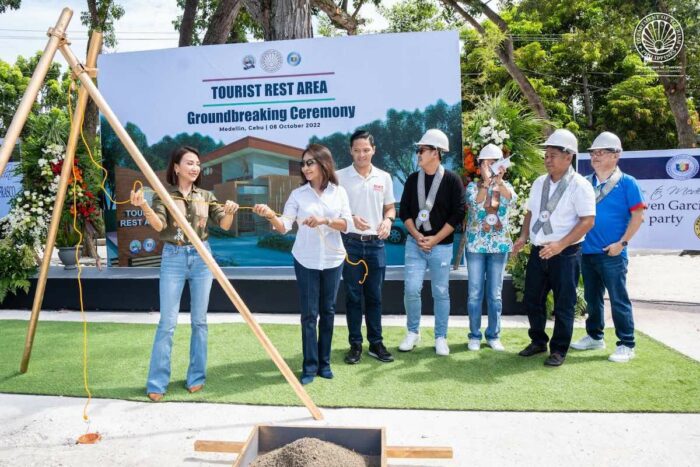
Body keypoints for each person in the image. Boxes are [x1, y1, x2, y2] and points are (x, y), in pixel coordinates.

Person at [130, 146, 239, 401]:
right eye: (189, 163)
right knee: (167, 323)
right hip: (174, 258)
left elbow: (223, 223)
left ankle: (196, 377)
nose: (195, 167)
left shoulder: (206, 195)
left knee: (199, 321)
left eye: (198, 164)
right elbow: (159, 226)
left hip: (202, 258)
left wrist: (230, 212)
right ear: (176, 167)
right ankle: (157, 382)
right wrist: (145, 205)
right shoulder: (164, 196)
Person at [253, 144, 352, 385]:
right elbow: (284, 226)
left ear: (323, 163)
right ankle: (309, 367)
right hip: (305, 260)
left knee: (327, 312)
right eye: (303, 163)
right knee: (309, 315)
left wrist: (324, 220)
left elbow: (347, 224)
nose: (305, 167)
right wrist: (270, 215)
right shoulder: (298, 195)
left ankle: (324, 364)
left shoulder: (339, 192)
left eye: (310, 162)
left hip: (333, 260)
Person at [513, 129, 596, 367]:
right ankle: (538, 341)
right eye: (546, 155)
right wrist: (523, 236)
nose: (547, 159)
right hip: (539, 251)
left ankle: (559, 349)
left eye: (552, 155)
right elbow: (530, 212)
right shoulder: (540, 183)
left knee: (564, 303)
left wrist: (560, 245)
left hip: (566, 254)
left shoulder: (580, 185)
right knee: (532, 298)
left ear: (568, 157)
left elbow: (588, 221)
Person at [571, 132, 646, 363]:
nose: (595, 156)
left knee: (618, 299)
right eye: (593, 153)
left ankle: (626, 343)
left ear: (616, 155)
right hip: (587, 251)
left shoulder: (627, 183)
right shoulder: (584, 181)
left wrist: (621, 243)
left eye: (601, 152)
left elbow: (638, 216)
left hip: (613, 253)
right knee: (592, 300)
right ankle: (595, 336)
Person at [398, 129, 466, 356]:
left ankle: (440, 337)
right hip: (414, 245)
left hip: (442, 246)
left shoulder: (452, 180)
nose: (418, 154)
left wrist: (435, 239)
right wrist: (417, 236)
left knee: (440, 292)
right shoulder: (412, 179)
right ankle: (413, 332)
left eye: (422, 150)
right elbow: (405, 212)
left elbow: (457, 215)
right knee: (411, 289)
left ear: (436, 153)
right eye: (418, 150)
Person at [337, 130, 396, 364]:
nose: (361, 154)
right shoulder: (339, 177)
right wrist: (350, 217)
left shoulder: (384, 177)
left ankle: (376, 343)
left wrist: (388, 220)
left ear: (374, 150)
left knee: (375, 296)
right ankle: (355, 345)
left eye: (366, 150)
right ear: (350, 151)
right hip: (350, 243)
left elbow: (390, 208)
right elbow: (333, 211)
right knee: (352, 296)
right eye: (357, 150)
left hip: (376, 245)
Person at [464, 144, 516, 352]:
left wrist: (498, 181)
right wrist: (485, 183)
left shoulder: (507, 186)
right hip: (476, 246)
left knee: (495, 294)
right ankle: (474, 335)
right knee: (475, 293)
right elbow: (475, 205)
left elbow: (511, 199)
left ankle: (494, 335)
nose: (493, 166)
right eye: (488, 163)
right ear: (480, 166)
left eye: (496, 162)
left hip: (499, 246)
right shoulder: (472, 187)